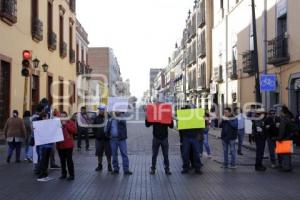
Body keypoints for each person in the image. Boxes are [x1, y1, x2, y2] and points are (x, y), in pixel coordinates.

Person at [179, 106, 203, 174]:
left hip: (194, 137)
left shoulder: (195, 116)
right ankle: (186, 167)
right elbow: (181, 128)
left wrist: (199, 135)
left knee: (196, 153)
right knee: (185, 153)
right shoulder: (184, 117)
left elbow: (200, 126)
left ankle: (197, 168)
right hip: (186, 137)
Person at [56, 111, 77, 181]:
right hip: (60, 145)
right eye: (61, 116)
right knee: (62, 161)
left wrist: (66, 125)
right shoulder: (57, 123)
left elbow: (74, 131)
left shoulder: (70, 122)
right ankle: (63, 174)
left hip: (68, 145)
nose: (62, 118)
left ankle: (71, 175)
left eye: (64, 116)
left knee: (69, 161)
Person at [93, 105, 112, 172]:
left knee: (108, 153)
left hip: (107, 139)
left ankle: (109, 165)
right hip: (99, 139)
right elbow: (94, 128)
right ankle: (99, 165)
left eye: (102, 110)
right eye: (100, 110)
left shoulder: (109, 118)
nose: (101, 111)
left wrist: (110, 135)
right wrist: (96, 135)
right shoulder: (96, 118)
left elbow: (112, 127)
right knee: (99, 153)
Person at [277, 106, 294, 172]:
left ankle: (286, 167)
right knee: (288, 154)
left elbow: (282, 130)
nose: (279, 113)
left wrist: (279, 138)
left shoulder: (284, 119)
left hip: (284, 138)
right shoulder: (289, 117)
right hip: (289, 137)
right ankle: (289, 166)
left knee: (284, 154)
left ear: (282, 112)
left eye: (280, 111)